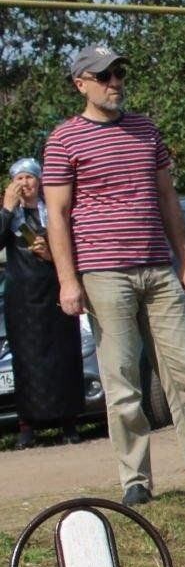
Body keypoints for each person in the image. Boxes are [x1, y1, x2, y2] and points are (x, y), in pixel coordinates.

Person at [41, 43, 185, 506]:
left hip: (159, 270)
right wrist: (68, 280)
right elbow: (57, 216)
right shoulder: (64, 140)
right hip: (105, 274)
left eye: (119, 73)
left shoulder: (146, 131)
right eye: (104, 76)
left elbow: (168, 201)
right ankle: (135, 481)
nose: (115, 83)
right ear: (81, 83)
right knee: (123, 384)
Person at [2, 158, 84, 446]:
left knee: (64, 357)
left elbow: (73, 247)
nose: (24, 184)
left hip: (55, 293)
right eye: (19, 179)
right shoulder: (9, 216)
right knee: (26, 362)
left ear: (40, 181)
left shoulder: (52, 213)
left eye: (29, 178)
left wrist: (52, 255)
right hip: (22, 300)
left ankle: (69, 424)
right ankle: (27, 427)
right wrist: (7, 207)